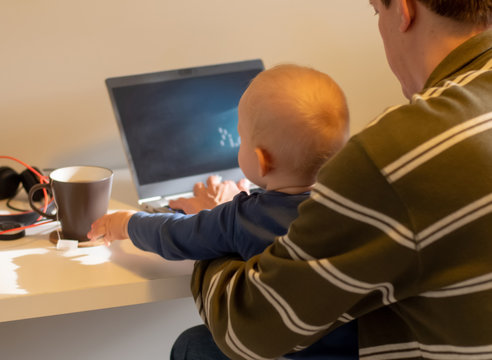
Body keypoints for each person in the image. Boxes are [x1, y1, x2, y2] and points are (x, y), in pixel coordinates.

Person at [179, 0, 492, 359]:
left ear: (404, 11)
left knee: (196, 346)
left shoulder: (403, 149)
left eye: (377, 11)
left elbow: (248, 331)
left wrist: (218, 227)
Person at [88, 64, 354, 358]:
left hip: (282, 352)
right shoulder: (354, 208)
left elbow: (174, 235)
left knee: (189, 344)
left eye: (240, 137)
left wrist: (127, 222)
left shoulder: (244, 217)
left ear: (261, 162)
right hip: (347, 350)